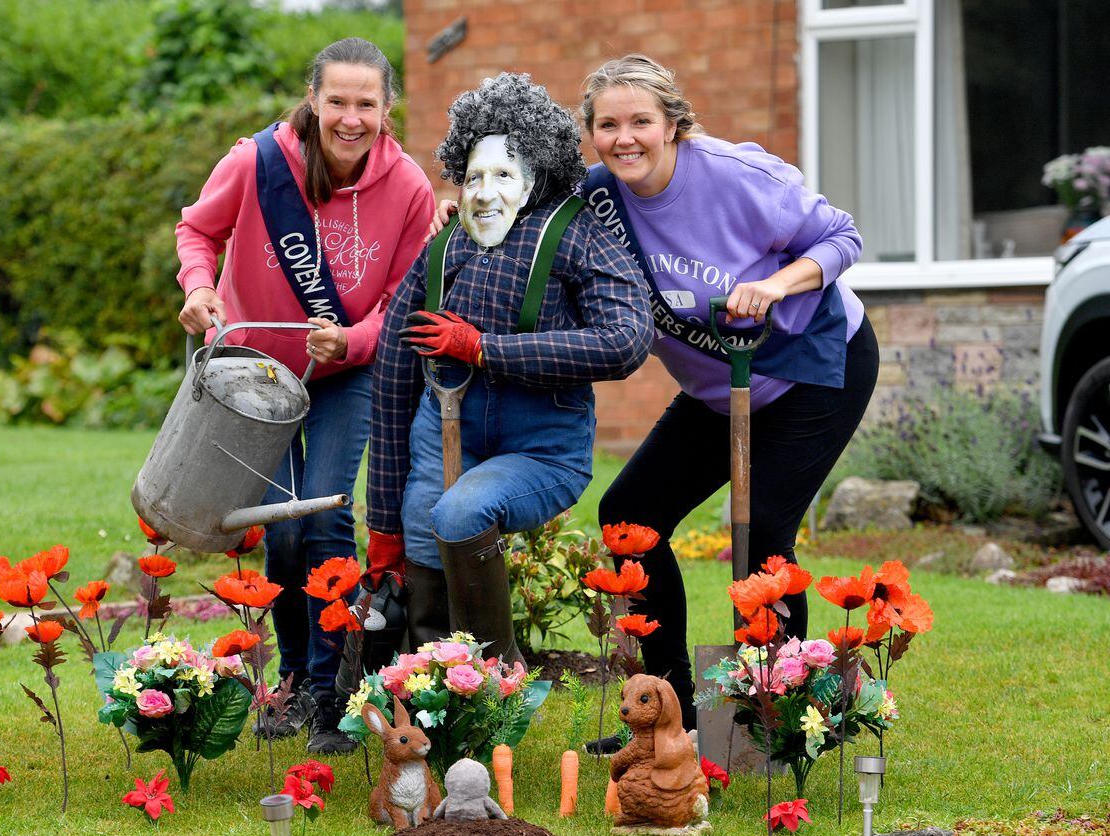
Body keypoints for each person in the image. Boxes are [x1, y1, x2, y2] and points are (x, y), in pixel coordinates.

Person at [579, 54, 879, 750]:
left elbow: (842, 236)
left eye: (642, 122)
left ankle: (795, 715)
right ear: (591, 134)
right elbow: (522, 218)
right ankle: (670, 710)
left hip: (813, 363)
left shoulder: (736, 177)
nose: (626, 138)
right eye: (608, 124)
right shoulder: (595, 199)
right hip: (722, 385)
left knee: (763, 528)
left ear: (674, 125)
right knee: (631, 513)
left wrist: (776, 287)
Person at [174, 37, 434, 754]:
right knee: (280, 528)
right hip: (253, 376)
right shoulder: (258, 162)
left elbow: (401, 303)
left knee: (323, 515)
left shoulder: (409, 187)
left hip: (345, 374)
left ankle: (331, 689)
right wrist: (199, 287)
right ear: (314, 100)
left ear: (387, 108)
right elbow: (198, 229)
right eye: (338, 102)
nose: (351, 118)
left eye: (367, 104)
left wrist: (349, 342)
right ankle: (291, 674)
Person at [363, 73, 652, 665]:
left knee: (461, 511)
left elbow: (626, 340)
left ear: (538, 173)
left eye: (503, 174)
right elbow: (393, 380)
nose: (485, 192)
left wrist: (485, 350)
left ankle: (496, 677)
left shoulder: (577, 236)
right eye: (473, 175)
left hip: (542, 444)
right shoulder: (445, 245)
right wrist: (382, 519)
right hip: (444, 422)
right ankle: (433, 693)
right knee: (421, 524)